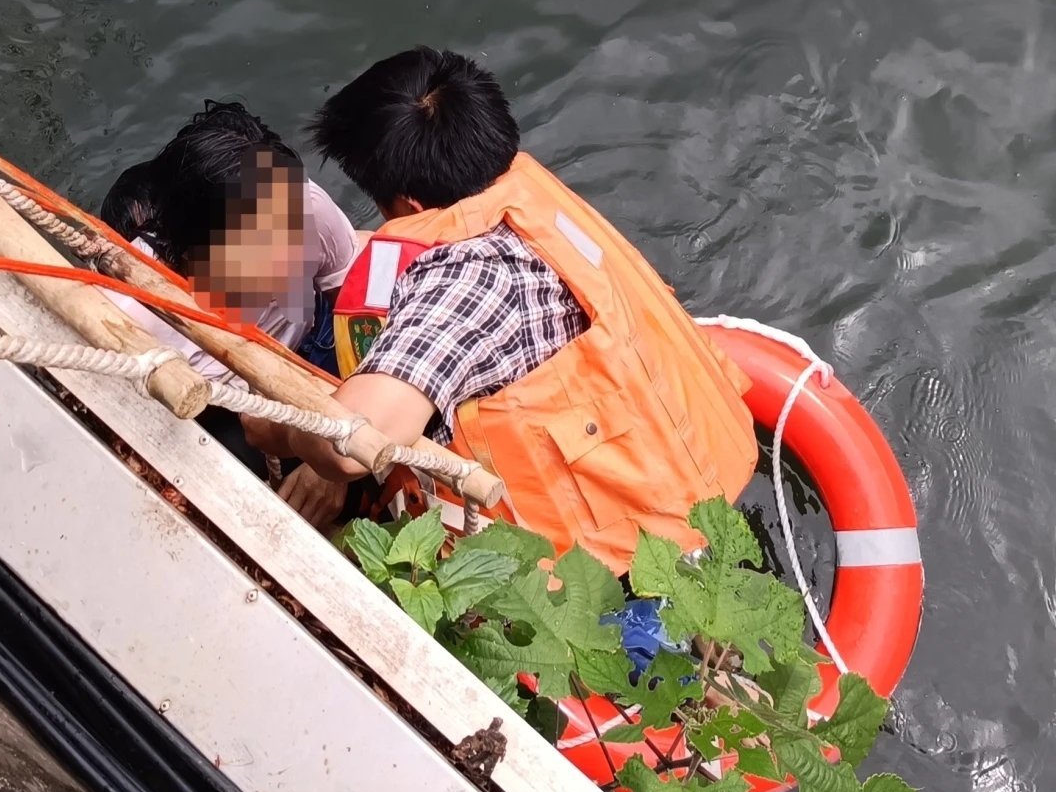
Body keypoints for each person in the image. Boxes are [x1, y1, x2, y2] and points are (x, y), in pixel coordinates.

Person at [242, 47, 759, 575]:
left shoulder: (464, 283)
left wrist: (277, 431)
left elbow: (353, 446)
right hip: (703, 468)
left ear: (410, 204)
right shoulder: (523, 189)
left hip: (621, 563)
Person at [100, 101, 359, 503]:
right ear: (188, 252)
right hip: (214, 408)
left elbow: (360, 319)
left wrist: (327, 467)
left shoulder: (309, 210)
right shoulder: (127, 312)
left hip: (310, 349)